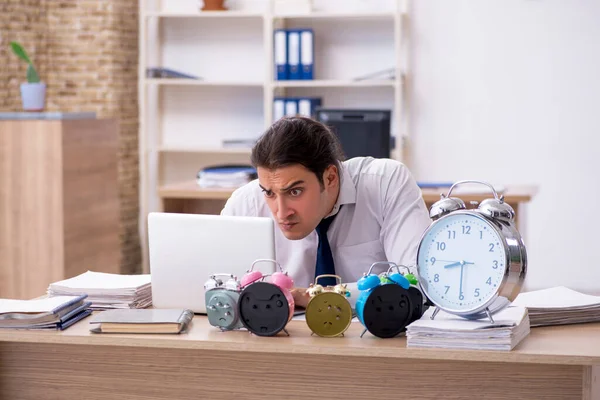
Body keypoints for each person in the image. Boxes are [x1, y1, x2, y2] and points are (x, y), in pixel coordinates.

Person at [221, 116, 432, 308]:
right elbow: (219, 284)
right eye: (269, 193)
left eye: (295, 191)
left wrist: (317, 295)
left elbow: (415, 280)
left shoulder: (386, 183)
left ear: (330, 177)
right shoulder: (245, 202)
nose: (281, 212)